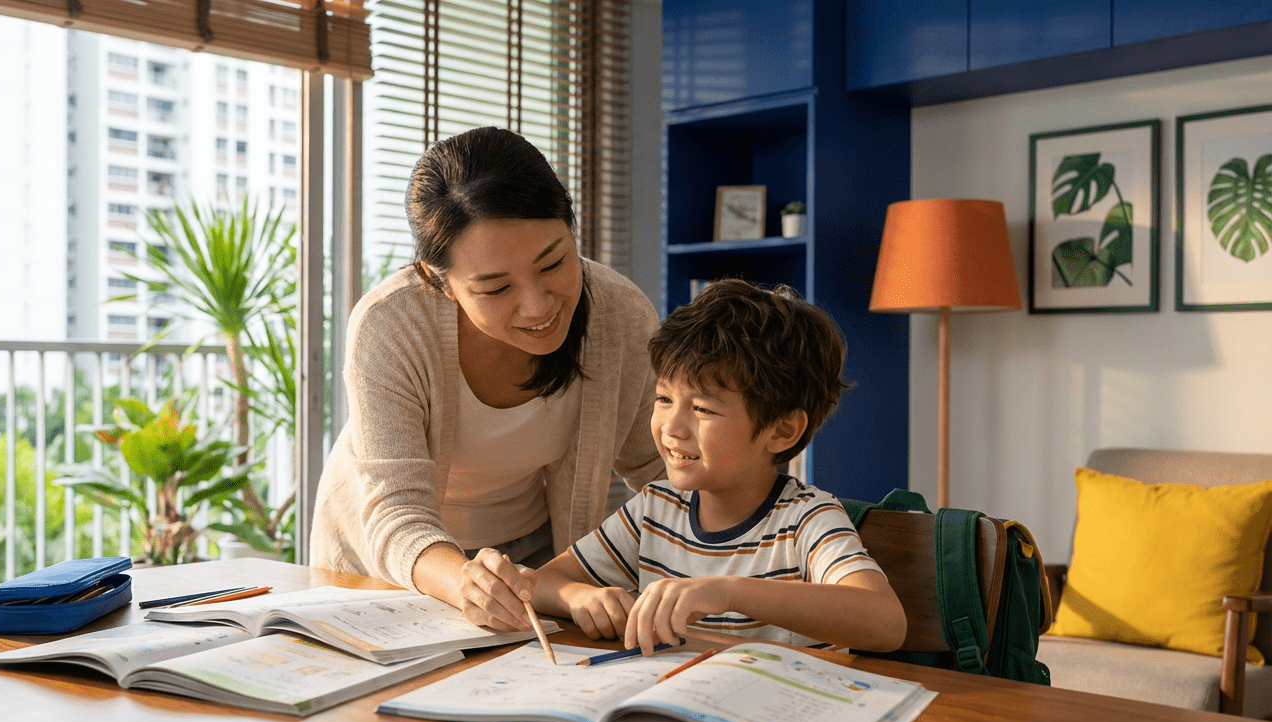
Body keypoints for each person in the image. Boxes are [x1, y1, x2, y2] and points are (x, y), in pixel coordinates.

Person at [311, 126, 664, 633]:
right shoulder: (390, 326)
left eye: (555, 263)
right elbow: (397, 512)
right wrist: (464, 582)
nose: (539, 306)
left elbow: (658, 464)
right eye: (496, 288)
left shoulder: (619, 314)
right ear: (439, 280)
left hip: (533, 562)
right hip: (396, 566)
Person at [532, 279, 907, 654]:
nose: (671, 428)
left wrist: (729, 592)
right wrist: (579, 597)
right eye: (664, 398)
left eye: (702, 409)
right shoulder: (655, 510)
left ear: (782, 430)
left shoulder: (806, 519)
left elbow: (886, 623)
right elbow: (545, 582)